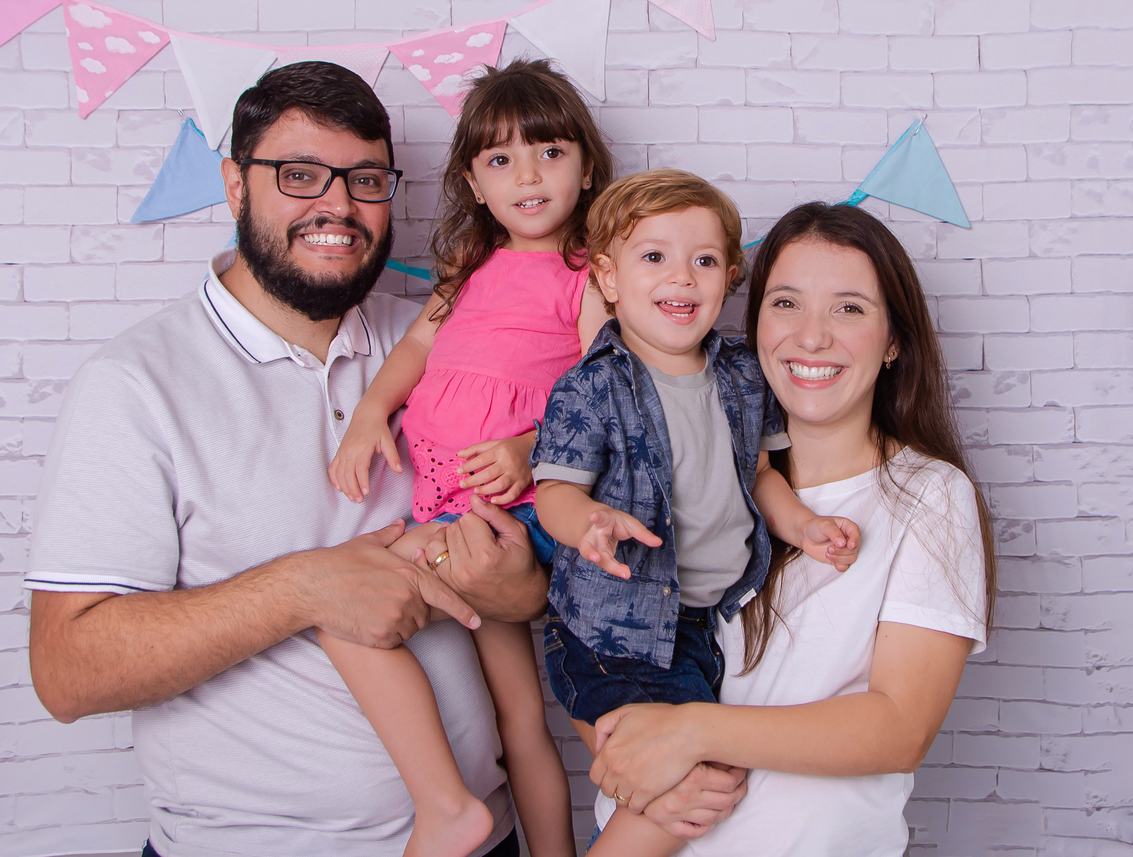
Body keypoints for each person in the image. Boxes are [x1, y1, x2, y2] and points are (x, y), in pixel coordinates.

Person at [24, 61, 552, 857]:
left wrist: (523, 590)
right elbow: (68, 671)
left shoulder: (448, 338)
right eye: (300, 175)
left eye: (365, 179)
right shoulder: (136, 384)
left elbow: (553, 504)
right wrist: (302, 589)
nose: (337, 205)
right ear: (236, 186)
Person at [584, 201, 998, 856]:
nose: (811, 337)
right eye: (786, 304)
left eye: (849, 308)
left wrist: (693, 733)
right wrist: (650, 773)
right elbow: (597, 637)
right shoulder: (694, 468)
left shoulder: (930, 495)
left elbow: (899, 728)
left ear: (894, 340)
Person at [324, 58, 612, 857]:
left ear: (587, 167)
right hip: (451, 506)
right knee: (517, 717)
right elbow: (418, 348)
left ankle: (446, 806)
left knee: (343, 609)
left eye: (550, 152)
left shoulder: (588, 277)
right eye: (501, 159)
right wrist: (371, 413)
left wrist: (532, 450)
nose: (529, 175)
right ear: (474, 184)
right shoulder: (467, 271)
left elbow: (603, 394)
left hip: (508, 511)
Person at [528, 171, 862, 857]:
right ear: (608, 277)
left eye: (703, 260)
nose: (681, 276)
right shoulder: (591, 386)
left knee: (675, 779)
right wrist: (588, 523)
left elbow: (759, 475)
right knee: (694, 780)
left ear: (730, 277)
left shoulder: (742, 374)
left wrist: (802, 525)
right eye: (654, 256)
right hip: (615, 631)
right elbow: (554, 492)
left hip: (707, 622)